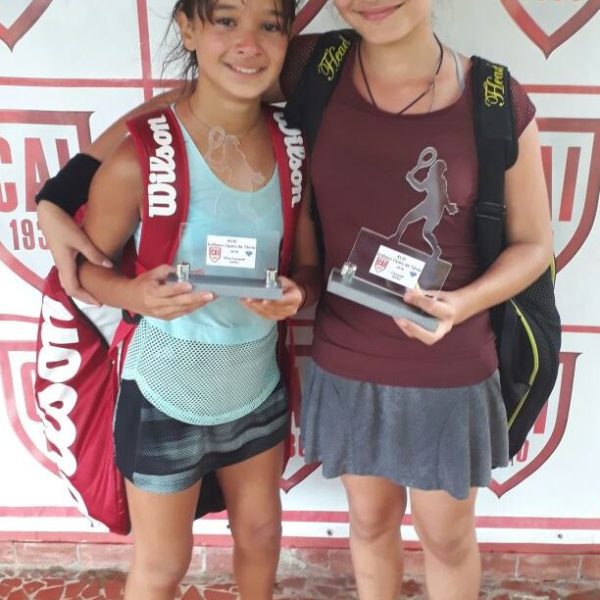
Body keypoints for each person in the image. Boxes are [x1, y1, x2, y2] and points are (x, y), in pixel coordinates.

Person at [36, 1, 552, 599]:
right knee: (368, 525)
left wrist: (462, 305)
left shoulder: (494, 97)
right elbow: (199, 96)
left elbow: (534, 244)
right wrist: (61, 192)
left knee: (446, 538)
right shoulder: (316, 64)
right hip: (345, 362)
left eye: (264, 25)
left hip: (450, 367)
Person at [39, 1, 320, 599]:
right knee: (164, 563)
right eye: (226, 20)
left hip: (256, 390)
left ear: (288, 36)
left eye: (270, 25)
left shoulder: (293, 149)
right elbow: (82, 272)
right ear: (189, 29)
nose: (249, 42)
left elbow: (308, 265)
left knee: (262, 536)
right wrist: (133, 294)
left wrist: (299, 291)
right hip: (163, 395)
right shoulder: (140, 157)